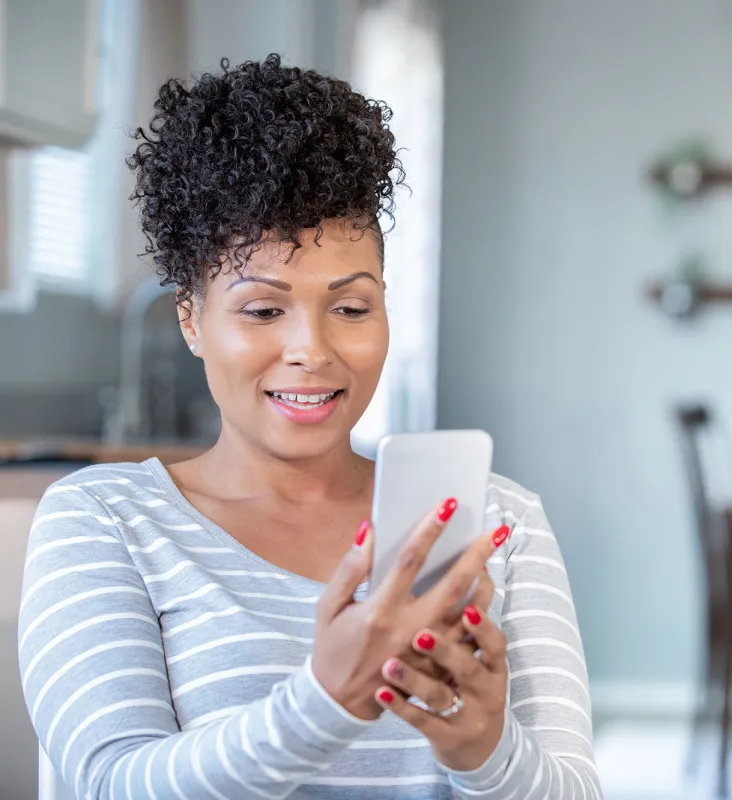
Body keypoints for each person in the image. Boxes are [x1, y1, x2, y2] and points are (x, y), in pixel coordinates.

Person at [18, 55, 601, 799]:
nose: (313, 350)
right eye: (263, 310)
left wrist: (485, 750)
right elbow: (109, 782)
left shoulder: (499, 524)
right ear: (191, 319)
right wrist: (322, 702)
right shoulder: (104, 521)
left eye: (351, 308)